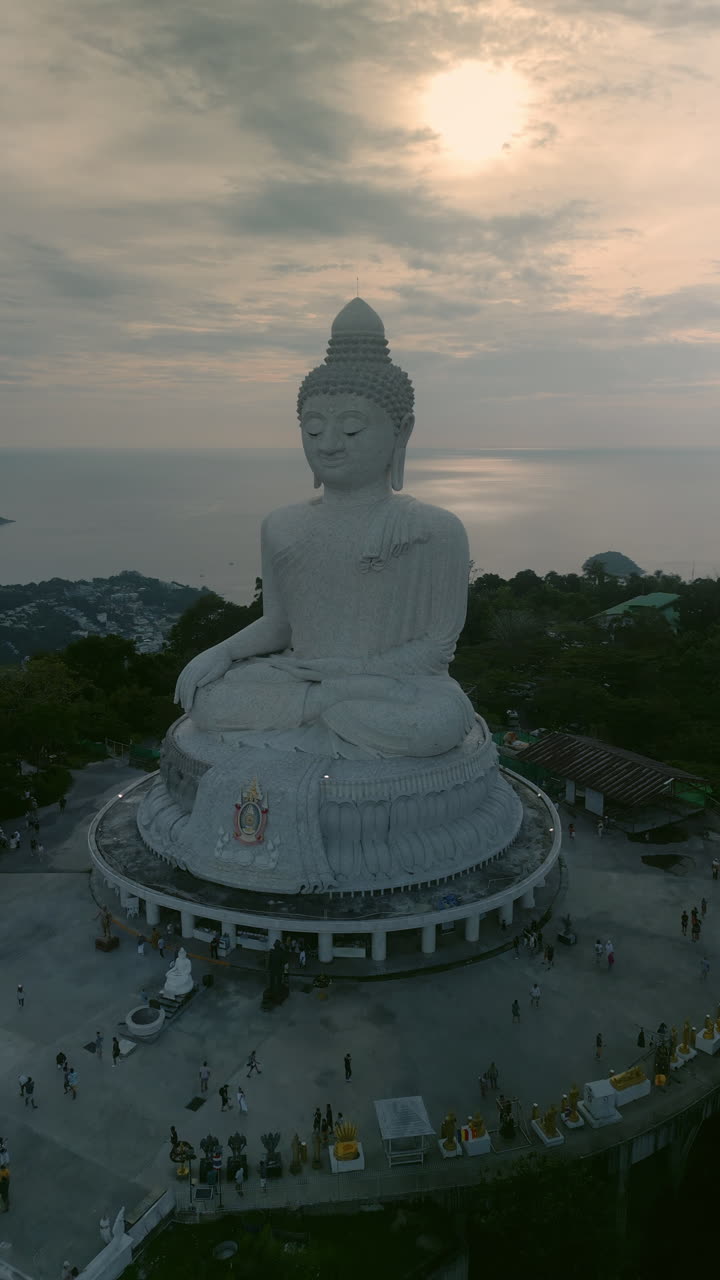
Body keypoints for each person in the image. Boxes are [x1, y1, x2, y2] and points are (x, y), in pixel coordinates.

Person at [174, 297, 476, 763]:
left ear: (403, 432)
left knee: (435, 724)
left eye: (352, 429)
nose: (329, 445)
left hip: (392, 685)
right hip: (308, 679)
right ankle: (323, 709)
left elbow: (436, 649)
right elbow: (279, 625)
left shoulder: (435, 529)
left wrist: (352, 673)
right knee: (210, 698)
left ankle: (320, 708)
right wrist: (221, 652)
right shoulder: (282, 524)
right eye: (313, 430)